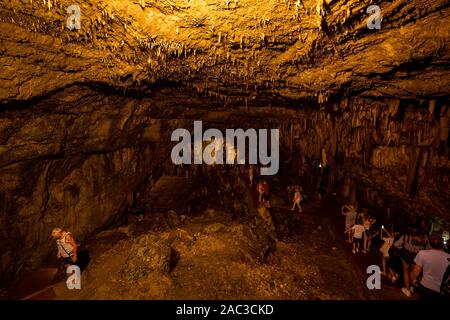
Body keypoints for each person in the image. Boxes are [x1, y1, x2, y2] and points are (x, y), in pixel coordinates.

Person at [411, 234, 450, 300]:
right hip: (441, 290)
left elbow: (416, 271)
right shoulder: (449, 257)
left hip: (425, 287)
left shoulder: (423, 253)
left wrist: (414, 281)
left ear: (429, 244)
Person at [394, 228, 429, 297]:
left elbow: (396, 244)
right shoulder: (425, 238)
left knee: (406, 271)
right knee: (413, 272)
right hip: (418, 255)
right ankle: (412, 287)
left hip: (406, 254)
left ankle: (407, 290)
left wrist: (401, 248)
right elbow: (428, 249)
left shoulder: (407, 236)